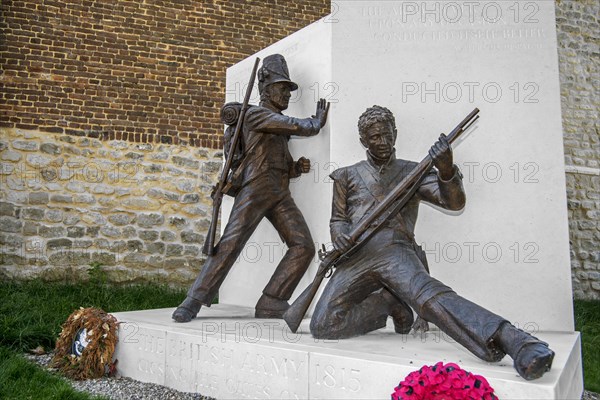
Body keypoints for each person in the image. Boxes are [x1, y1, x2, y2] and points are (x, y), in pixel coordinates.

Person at [310, 105, 554, 381]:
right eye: (375, 137)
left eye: (387, 135)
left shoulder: (413, 172)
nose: (383, 142)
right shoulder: (346, 175)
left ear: (395, 134)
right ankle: (387, 304)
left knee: (431, 297)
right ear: (364, 141)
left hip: (395, 252)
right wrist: (339, 234)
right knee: (323, 326)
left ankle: (515, 340)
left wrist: (446, 169)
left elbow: (454, 202)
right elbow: (337, 219)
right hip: (356, 255)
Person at [172, 54, 329, 323]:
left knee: (303, 246)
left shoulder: (272, 122)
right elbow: (294, 125)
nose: (287, 95)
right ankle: (193, 300)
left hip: (279, 192)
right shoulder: (256, 115)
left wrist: (294, 169)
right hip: (255, 189)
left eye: (288, 90)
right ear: (267, 90)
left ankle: (272, 300)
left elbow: (273, 157)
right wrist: (315, 123)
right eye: (282, 88)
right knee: (230, 244)